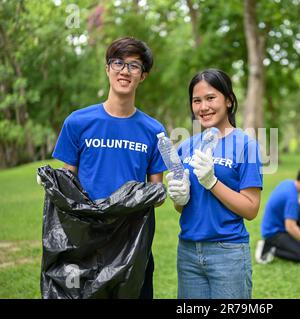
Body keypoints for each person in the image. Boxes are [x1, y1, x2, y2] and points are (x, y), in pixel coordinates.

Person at [51, 37, 166, 298]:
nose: (125, 71)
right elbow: (67, 187)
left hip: (132, 243)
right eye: (118, 63)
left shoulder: (154, 131)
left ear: (143, 76)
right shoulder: (78, 122)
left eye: (134, 66)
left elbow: (156, 193)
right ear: (107, 69)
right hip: (86, 242)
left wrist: (172, 191)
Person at [165, 68, 263, 299]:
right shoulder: (186, 147)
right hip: (188, 249)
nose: (203, 107)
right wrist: (179, 199)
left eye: (210, 98)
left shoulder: (246, 146)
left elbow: (251, 209)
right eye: (196, 100)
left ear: (228, 100)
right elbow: (182, 207)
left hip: (227, 251)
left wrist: (212, 182)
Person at [255, 169, 300, 264]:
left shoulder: (288, 184)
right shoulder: (291, 196)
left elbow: (285, 203)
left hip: (274, 225)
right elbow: (290, 227)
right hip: (273, 233)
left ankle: (296, 243)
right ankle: (271, 248)